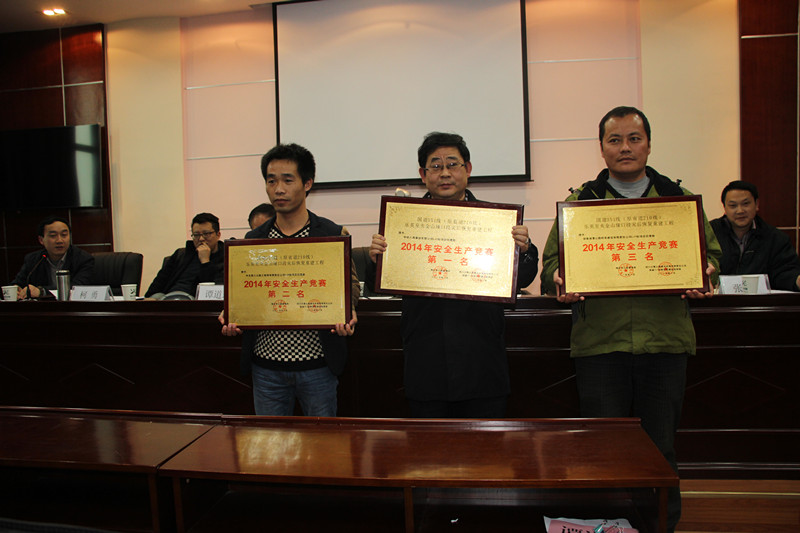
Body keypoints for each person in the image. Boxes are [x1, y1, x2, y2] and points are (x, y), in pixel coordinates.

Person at [540, 106, 722, 533]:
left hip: (664, 342)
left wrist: (707, 273)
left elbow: (711, 256)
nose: (625, 148)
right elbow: (551, 264)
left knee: (660, 447)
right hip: (601, 345)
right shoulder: (581, 203)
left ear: (649, 145)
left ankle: (660, 525)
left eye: (634, 139)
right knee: (603, 448)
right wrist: (558, 278)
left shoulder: (678, 200)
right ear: (602, 148)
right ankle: (607, 525)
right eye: (615, 140)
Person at [366, 132, 539, 418]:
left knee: (485, 446)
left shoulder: (494, 222)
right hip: (426, 362)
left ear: (467, 169)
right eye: (435, 166)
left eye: (452, 164)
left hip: (482, 361)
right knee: (428, 446)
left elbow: (523, 278)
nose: (445, 173)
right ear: (423, 175)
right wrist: (377, 260)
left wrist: (524, 249)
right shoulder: (404, 222)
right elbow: (383, 284)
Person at [220, 143, 358, 417]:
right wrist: (232, 312)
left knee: (322, 442)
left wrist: (348, 309)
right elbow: (245, 291)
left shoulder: (331, 234)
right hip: (266, 367)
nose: (278, 189)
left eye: (287, 180)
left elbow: (350, 284)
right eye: (271, 181)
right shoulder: (254, 240)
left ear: (307, 183)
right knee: (270, 444)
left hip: (317, 366)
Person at [711, 180, 800, 291]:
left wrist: (796, 281)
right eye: (733, 205)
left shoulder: (776, 238)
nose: (740, 211)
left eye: (746, 204)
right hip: (718, 300)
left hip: (759, 301)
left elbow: (785, 272)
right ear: (724, 208)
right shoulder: (709, 234)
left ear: (757, 204)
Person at [11, 216, 95, 300]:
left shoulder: (83, 259)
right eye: (53, 236)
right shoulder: (33, 259)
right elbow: (19, 283)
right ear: (41, 240)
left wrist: (42, 291)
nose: (59, 240)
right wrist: (16, 289)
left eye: (64, 235)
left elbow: (77, 288)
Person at [145, 212, 225, 299]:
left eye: (206, 234)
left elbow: (211, 294)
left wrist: (205, 261)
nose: (201, 239)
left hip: (194, 302)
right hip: (168, 297)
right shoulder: (181, 254)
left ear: (218, 235)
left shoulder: (225, 258)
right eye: (196, 235)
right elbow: (156, 286)